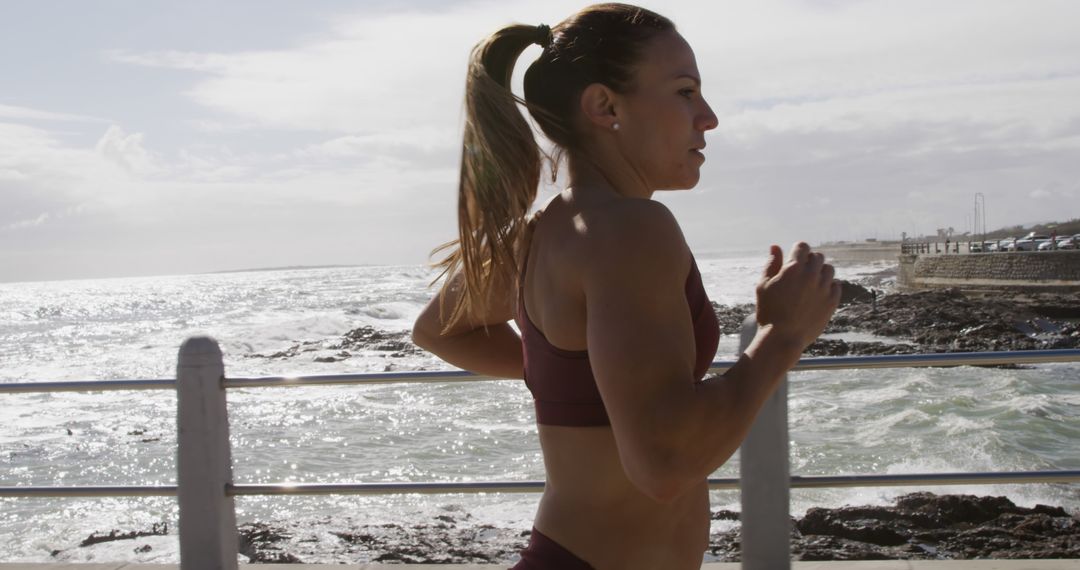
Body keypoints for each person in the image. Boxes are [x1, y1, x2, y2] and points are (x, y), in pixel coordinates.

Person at [412, 4, 840, 569]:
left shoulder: (543, 231)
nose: (708, 117)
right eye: (685, 92)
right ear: (605, 106)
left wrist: (587, 374)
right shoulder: (630, 229)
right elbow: (663, 464)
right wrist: (781, 337)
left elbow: (439, 329)